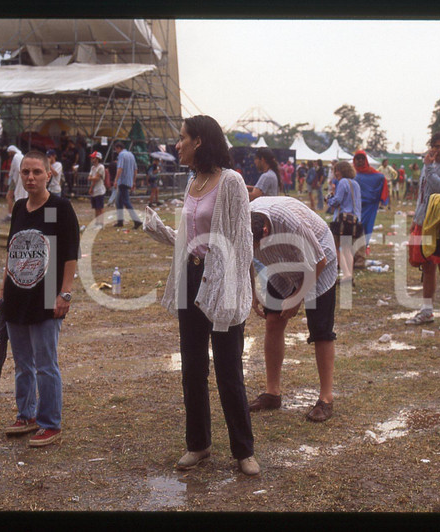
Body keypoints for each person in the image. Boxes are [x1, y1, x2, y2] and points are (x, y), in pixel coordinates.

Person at [142, 115, 259, 476]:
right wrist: (161, 232)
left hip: (221, 281)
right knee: (192, 367)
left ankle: (244, 451)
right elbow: (189, 239)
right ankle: (199, 445)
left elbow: (242, 242)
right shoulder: (193, 181)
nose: (176, 145)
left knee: (228, 368)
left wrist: (241, 289)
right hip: (191, 278)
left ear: (199, 142)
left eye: (182, 138)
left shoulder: (232, 182)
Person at [0, 150, 79, 447]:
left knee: (46, 363)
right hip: (17, 294)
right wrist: (3, 288)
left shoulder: (58, 207)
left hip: (47, 293)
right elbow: (12, 249)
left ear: (49, 174)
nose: (30, 177)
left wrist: (64, 293)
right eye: (25, 172)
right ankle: (26, 414)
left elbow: (69, 254)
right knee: (22, 363)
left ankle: (50, 422)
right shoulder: (20, 208)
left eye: (36, 172)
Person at [247, 195, 338, 422]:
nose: (255, 248)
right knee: (273, 321)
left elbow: (318, 261)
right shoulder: (244, 220)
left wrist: (298, 298)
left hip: (317, 257)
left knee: (320, 329)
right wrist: (252, 291)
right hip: (279, 262)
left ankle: (326, 399)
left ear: (266, 231)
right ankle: (272, 393)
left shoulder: (289, 221)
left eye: (257, 244)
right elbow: (245, 255)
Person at [405, 132, 440, 331]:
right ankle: (427, 310)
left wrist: (429, 167)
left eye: (438, 146)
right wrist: (416, 220)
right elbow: (423, 195)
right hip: (424, 222)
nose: (435, 150)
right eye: (432, 145)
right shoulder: (427, 165)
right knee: (426, 266)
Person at [327, 161, 361, 285]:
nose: (336, 173)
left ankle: (346, 274)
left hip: (342, 220)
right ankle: (349, 274)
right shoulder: (356, 184)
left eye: (337, 171)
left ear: (341, 171)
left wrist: (329, 199)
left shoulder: (342, 183)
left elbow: (337, 201)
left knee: (336, 247)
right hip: (354, 220)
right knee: (347, 248)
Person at [353, 150, 386, 268]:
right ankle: (353, 256)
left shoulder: (374, 174)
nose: (360, 161)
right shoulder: (351, 174)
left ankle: (360, 257)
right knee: (352, 229)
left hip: (368, 207)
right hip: (353, 207)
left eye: (362, 158)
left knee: (365, 229)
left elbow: (381, 179)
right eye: (358, 159)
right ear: (354, 160)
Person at [112, 141, 143, 229]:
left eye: (116, 149)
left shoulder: (121, 155)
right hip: (128, 181)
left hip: (122, 181)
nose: (116, 151)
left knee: (126, 201)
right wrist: (133, 181)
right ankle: (120, 221)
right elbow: (135, 169)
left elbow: (120, 168)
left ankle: (136, 220)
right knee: (119, 202)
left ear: (118, 148)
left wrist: (115, 180)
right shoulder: (131, 155)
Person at [5, 145, 25, 221]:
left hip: (16, 178)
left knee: (9, 196)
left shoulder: (16, 157)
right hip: (17, 178)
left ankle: (11, 214)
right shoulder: (20, 156)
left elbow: (18, 168)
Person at [87, 151, 106, 226]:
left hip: (100, 190)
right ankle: (97, 222)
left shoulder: (101, 167)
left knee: (100, 208)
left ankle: (101, 223)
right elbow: (91, 177)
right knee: (96, 208)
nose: (92, 159)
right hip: (94, 189)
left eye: (93, 158)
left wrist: (91, 178)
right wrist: (92, 180)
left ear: (98, 158)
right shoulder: (93, 167)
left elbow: (96, 178)